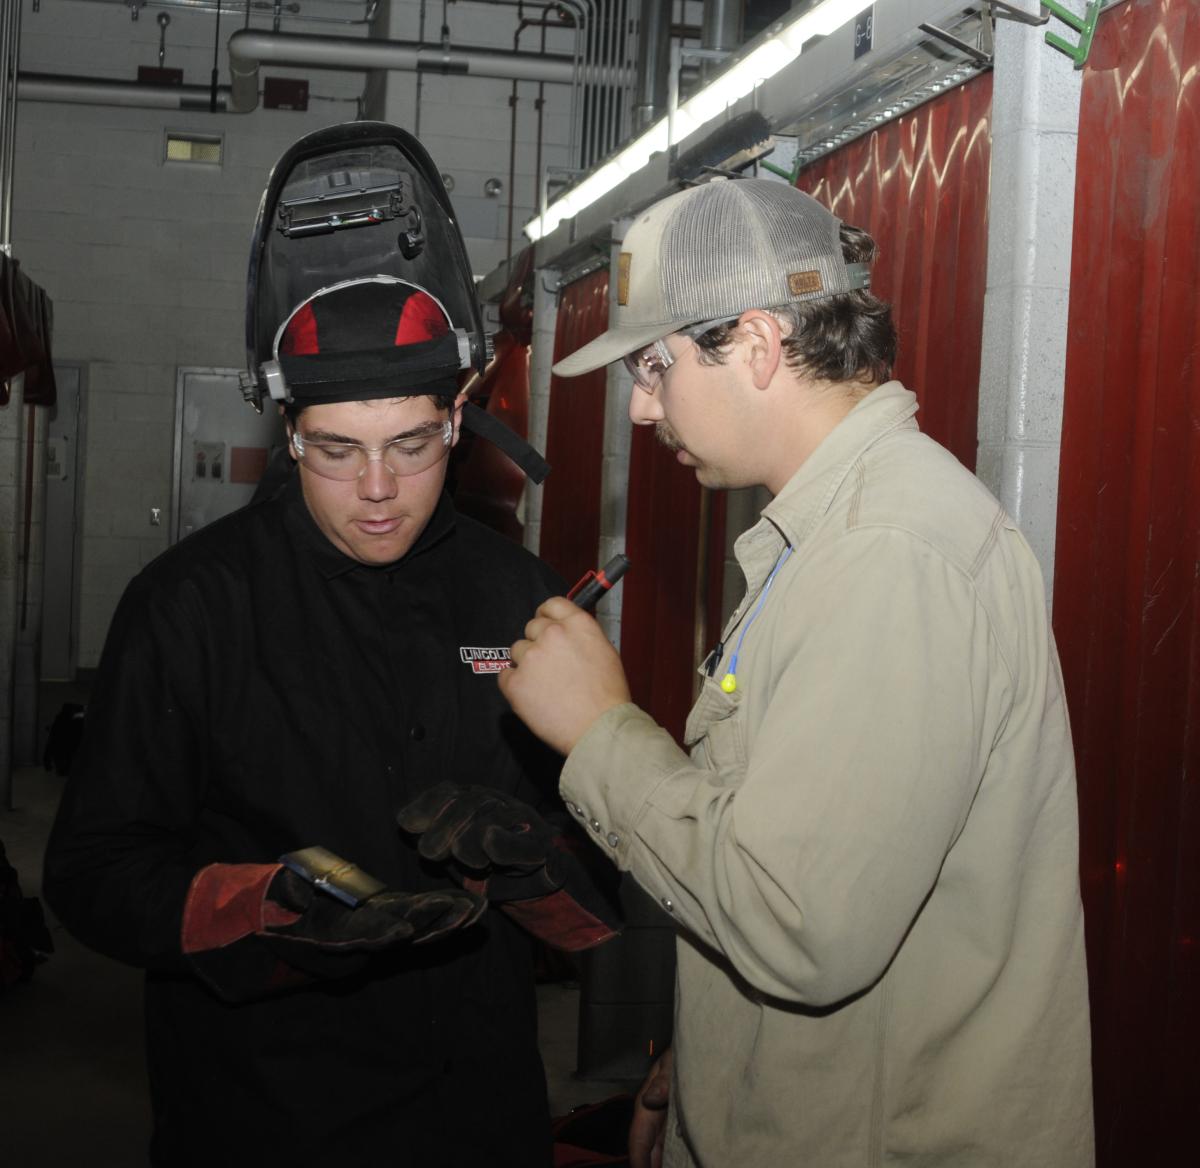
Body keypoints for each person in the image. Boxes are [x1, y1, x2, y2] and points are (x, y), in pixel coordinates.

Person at [42, 123, 617, 1168]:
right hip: (258, 1109)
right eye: (337, 451)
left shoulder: (520, 599)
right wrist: (256, 906)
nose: (379, 490)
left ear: (460, 419)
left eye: (411, 444)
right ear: (287, 429)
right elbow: (90, 873)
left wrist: (542, 861)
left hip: (472, 1107)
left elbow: (605, 908)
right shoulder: (190, 606)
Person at [498, 176, 1095, 1167]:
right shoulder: (826, 537)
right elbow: (794, 848)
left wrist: (602, 730)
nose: (642, 409)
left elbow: (801, 926)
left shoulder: (887, 553)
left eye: (656, 365)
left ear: (760, 347)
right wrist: (692, 1062)